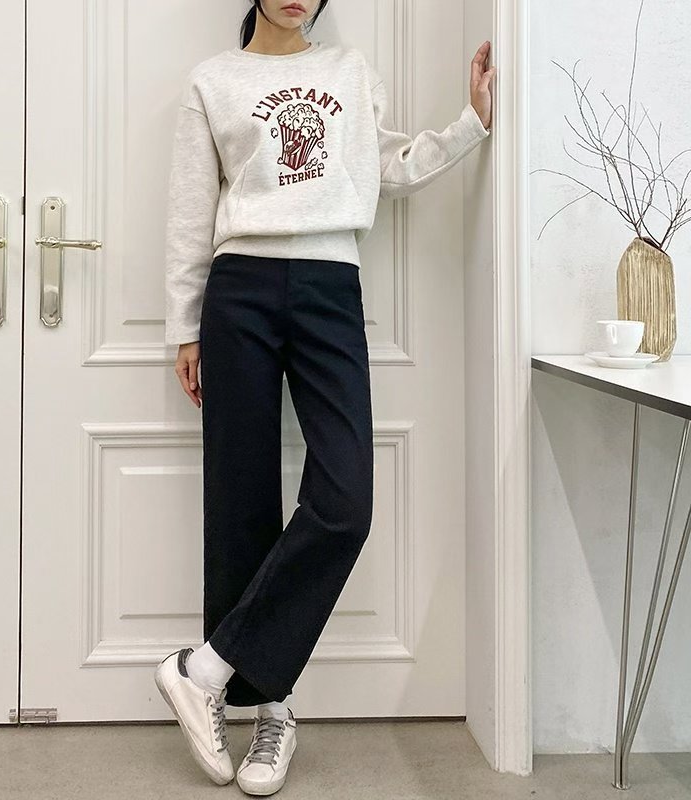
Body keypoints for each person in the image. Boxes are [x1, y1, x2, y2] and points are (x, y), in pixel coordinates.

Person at [154, 0, 495, 794]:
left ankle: (202, 671)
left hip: (329, 283)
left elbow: (388, 167)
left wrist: (471, 125)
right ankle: (269, 710)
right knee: (240, 502)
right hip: (238, 289)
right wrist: (184, 325)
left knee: (344, 502)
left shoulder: (349, 71)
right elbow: (189, 211)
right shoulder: (213, 81)